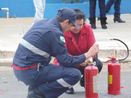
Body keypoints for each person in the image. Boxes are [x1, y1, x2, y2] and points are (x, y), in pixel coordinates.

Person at [12, 8, 99, 98]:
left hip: (19, 68)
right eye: (72, 25)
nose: (71, 29)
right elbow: (65, 61)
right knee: (74, 74)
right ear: (66, 22)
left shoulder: (42, 23)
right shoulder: (55, 33)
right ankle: (38, 94)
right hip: (30, 71)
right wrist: (87, 55)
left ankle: (35, 89)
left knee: (51, 67)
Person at [53, 9, 103, 94]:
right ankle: (67, 85)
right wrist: (79, 61)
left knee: (97, 63)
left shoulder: (87, 28)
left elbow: (93, 48)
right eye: (76, 25)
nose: (79, 28)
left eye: (81, 24)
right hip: (67, 61)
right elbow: (63, 56)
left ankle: (85, 81)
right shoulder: (63, 32)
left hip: (84, 59)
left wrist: (89, 59)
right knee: (63, 66)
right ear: (69, 22)